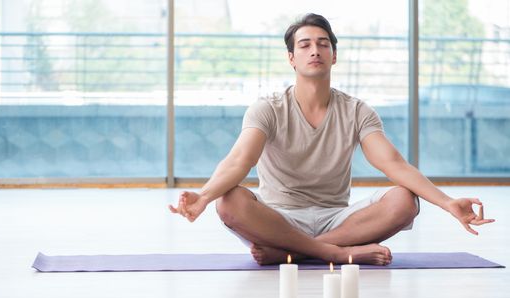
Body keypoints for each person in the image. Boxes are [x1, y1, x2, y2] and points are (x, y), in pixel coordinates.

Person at [169, 13, 494, 266]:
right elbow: (240, 161)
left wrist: (448, 203)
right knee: (230, 201)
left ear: (334, 56)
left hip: (337, 217)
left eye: (323, 44)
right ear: (291, 58)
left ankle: (296, 255)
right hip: (279, 219)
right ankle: (336, 253)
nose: (315, 50)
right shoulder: (267, 108)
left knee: (404, 200)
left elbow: (393, 164)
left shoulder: (357, 111)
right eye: (305, 44)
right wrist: (204, 195)